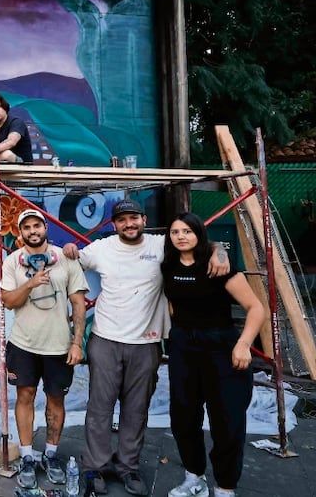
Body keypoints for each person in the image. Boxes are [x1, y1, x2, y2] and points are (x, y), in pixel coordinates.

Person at [62, 199, 229, 496]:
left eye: (134, 218)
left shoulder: (160, 245)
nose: (129, 224)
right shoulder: (102, 248)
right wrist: (68, 248)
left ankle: (128, 467)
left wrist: (219, 251)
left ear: (144, 219)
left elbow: (199, 242)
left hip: (146, 342)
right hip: (105, 339)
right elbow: (72, 257)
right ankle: (95, 466)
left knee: (137, 410)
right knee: (99, 408)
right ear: (114, 224)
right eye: (122, 220)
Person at [162, 213, 264, 497]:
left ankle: (225, 488)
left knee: (227, 421)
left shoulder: (218, 267)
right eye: (175, 232)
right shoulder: (168, 265)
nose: (181, 236)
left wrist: (243, 344)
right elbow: (173, 305)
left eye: (187, 231)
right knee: (183, 417)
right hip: (184, 347)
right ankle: (193, 478)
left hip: (221, 347)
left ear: (198, 233)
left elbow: (256, 308)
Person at [0, 209, 88, 490]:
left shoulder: (66, 258)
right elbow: (8, 301)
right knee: (24, 395)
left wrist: (77, 342)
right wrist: (31, 283)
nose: (33, 231)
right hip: (23, 344)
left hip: (58, 345)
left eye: (37, 225)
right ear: (20, 233)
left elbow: (78, 304)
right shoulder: (12, 261)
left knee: (56, 400)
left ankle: (51, 454)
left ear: (45, 227)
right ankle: (27, 456)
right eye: (26, 227)